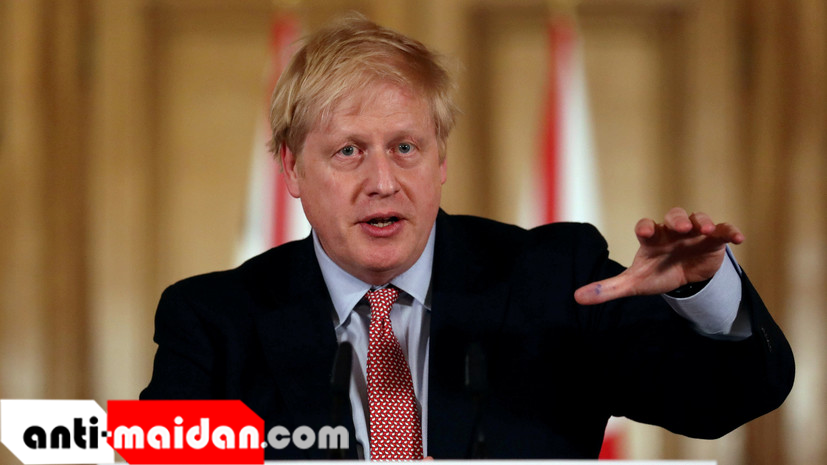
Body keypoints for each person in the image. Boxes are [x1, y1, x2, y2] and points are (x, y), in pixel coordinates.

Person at [140, 15, 794, 460]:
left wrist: (704, 290)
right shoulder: (215, 318)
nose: (382, 182)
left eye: (405, 147)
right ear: (290, 169)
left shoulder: (552, 279)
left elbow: (721, 400)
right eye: (348, 151)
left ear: (440, 161)